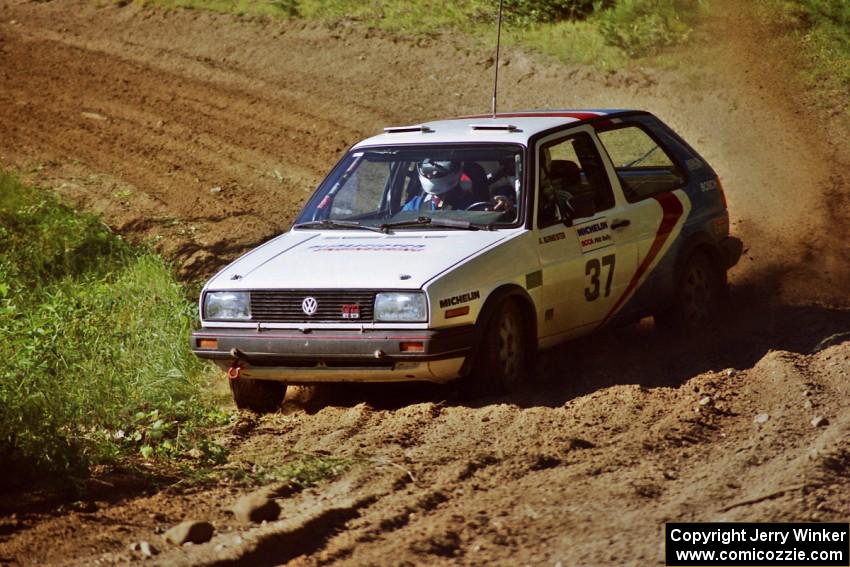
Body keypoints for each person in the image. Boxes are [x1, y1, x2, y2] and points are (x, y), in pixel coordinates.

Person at [402, 159, 474, 212]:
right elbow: (400, 225)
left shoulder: (472, 206)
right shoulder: (415, 206)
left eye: (439, 169)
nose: (434, 172)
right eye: (428, 168)